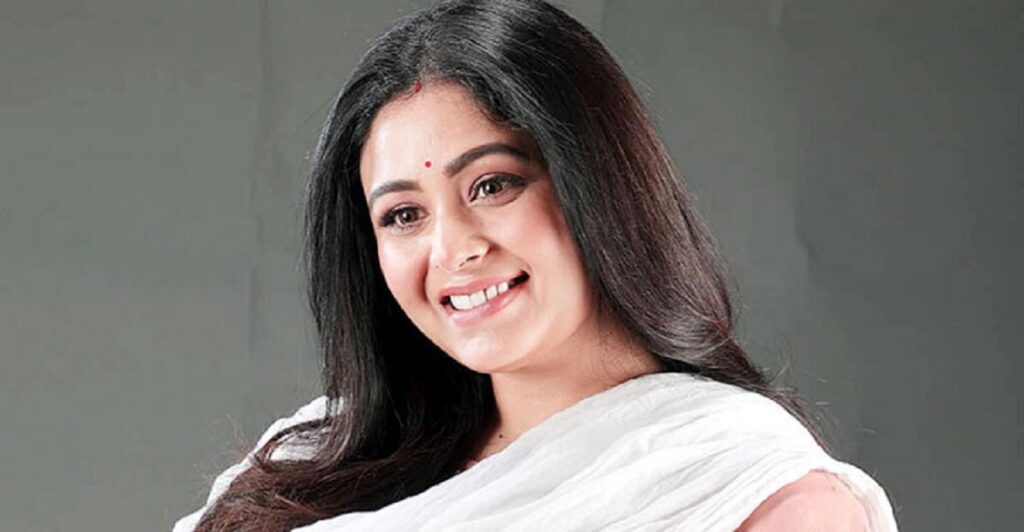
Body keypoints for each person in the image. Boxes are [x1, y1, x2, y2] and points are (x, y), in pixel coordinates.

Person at [175, 0, 898, 530]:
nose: (453, 248)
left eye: (492, 185)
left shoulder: (755, 491)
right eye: (403, 215)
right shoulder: (314, 459)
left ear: (599, 185)